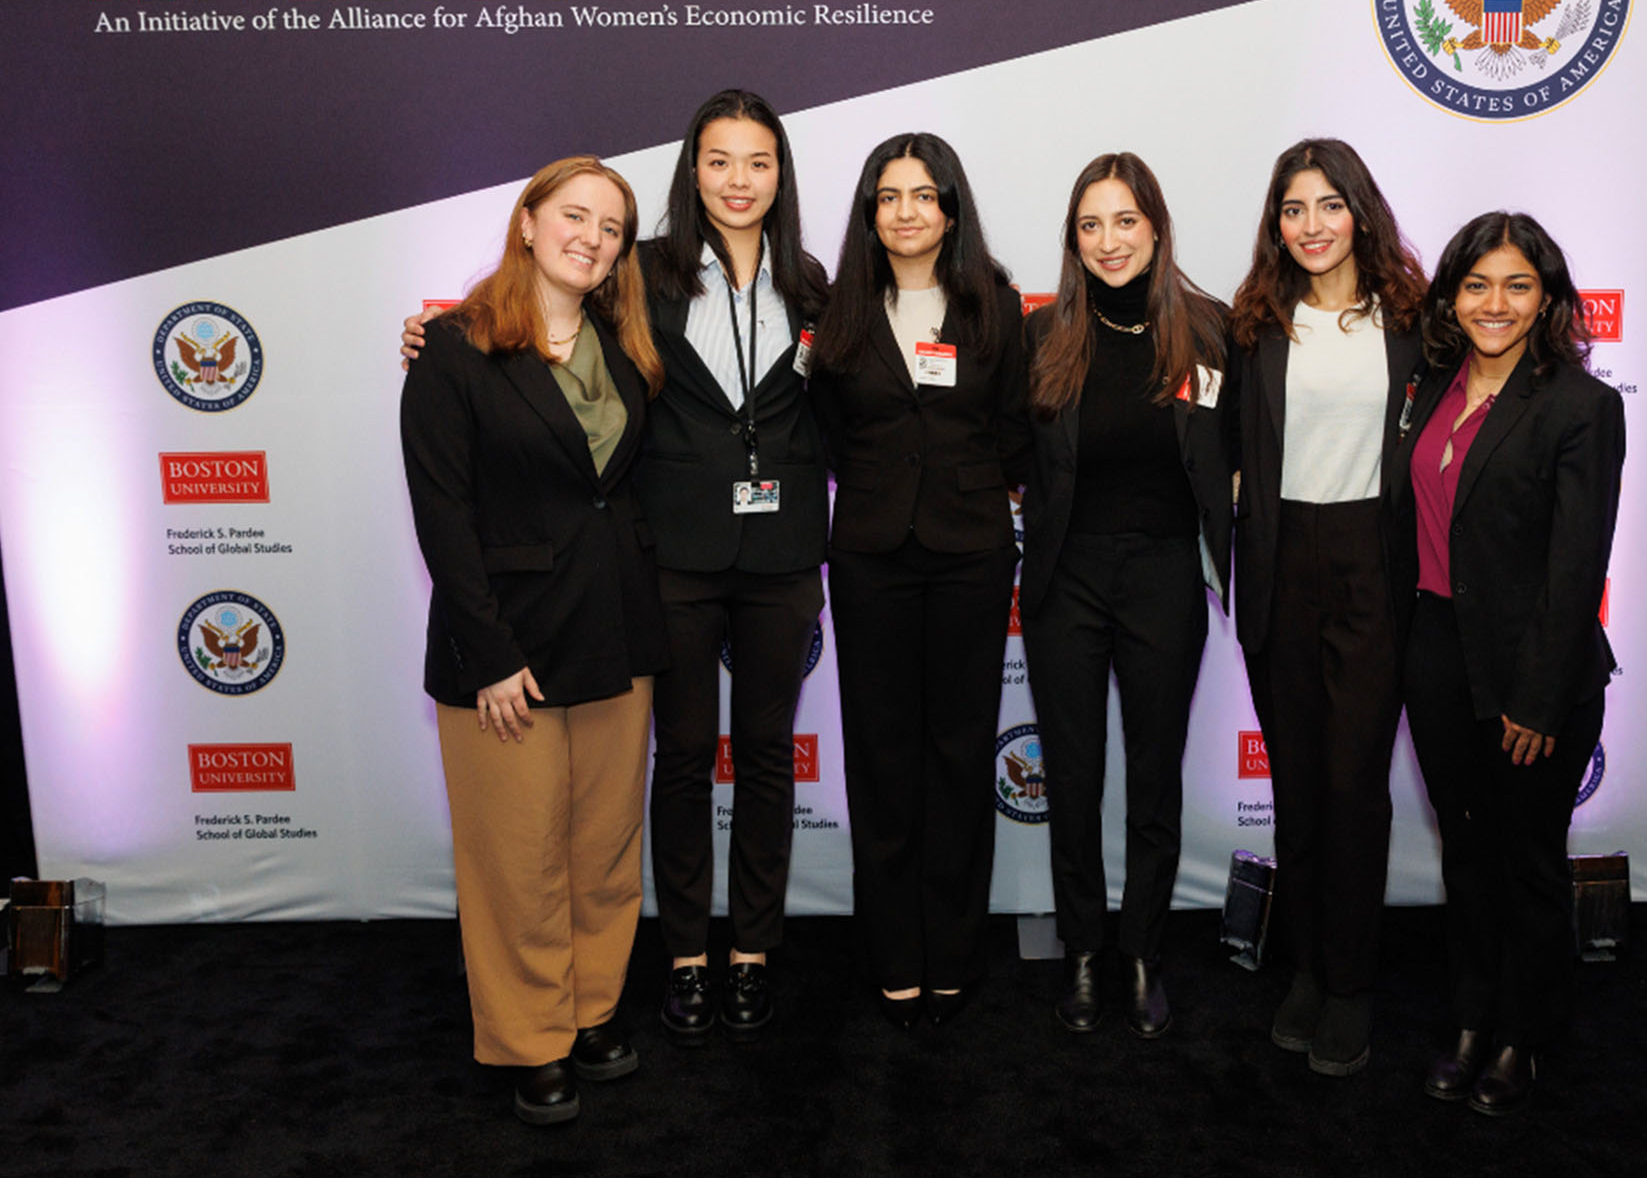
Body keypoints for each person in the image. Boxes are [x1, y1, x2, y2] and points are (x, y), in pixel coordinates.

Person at [406, 89, 828, 1043]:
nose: (737, 180)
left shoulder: (810, 282)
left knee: (756, 764)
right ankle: (681, 957)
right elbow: (511, 344)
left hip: (771, 560)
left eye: (757, 162)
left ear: (779, 174)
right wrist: (430, 332)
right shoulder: (639, 271)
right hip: (667, 563)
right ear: (693, 171)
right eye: (718, 160)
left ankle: (747, 954)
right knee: (677, 765)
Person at [400, 155, 667, 1125]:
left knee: (601, 847)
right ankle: (529, 1037)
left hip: (614, 631)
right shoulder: (452, 350)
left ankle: (591, 1010)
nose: (591, 237)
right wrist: (488, 652)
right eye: (575, 216)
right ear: (527, 221)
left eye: (611, 228)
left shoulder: (623, 343)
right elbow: (443, 517)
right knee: (515, 856)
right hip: (504, 649)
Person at [1383, 211, 1624, 1116]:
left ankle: (1527, 1033)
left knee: (1527, 860)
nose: (1496, 303)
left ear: (1548, 298)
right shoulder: (1431, 386)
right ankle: (1472, 1018)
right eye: (1477, 284)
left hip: (1534, 667)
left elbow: (1577, 570)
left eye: (1517, 285)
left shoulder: (1579, 405)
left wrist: (1538, 697)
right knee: (1465, 853)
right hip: (1436, 652)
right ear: (1451, 296)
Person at [806, 133, 1028, 1027]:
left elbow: (1014, 428)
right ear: (870, 212)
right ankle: (894, 947)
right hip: (869, 555)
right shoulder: (840, 309)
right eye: (888, 196)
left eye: (923, 195)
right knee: (882, 754)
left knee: (962, 753)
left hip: (972, 553)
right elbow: (825, 429)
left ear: (951, 208)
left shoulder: (997, 305)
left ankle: (955, 949)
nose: (906, 211)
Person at [1019, 153, 1233, 1038]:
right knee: (1071, 775)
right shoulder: (1041, 337)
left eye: (1125, 222)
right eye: (1090, 225)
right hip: (1065, 577)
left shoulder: (1213, 332)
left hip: (1164, 575)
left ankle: (1142, 951)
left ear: (1156, 226)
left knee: (1154, 773)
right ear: (1074, 238)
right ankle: (1080, 949)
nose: (1109, 241)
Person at [1227, 139, 1426, 1076]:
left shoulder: (1417, 324)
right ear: (1277, 224)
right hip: (1280, 568)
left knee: (1355, 785)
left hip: (1374, 571)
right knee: (1297, 785)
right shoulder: (1257, 326)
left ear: (1361, 212)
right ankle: (1307, 967)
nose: (1311, 225)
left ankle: (1351, 982)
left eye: (1329, 205)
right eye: (1294, 208)